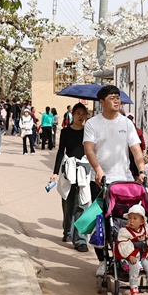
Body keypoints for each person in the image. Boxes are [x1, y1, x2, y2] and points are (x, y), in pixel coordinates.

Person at [83, 84, 146, 277]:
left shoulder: (126, 123)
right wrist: (98, 169)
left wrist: (141, 170)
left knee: (128, 221)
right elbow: (89, 149)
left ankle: (127, 258)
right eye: (112, 97)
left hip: (125, 184)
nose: (117, 100)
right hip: (101, 182)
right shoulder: (92, 124)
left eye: (118, 97)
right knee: (100, 223)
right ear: (101, 102)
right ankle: (103, 261)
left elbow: (136, 149)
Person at [51, 102, 92, 251]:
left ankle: (80, 240)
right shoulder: (65, 132)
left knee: (82, 203)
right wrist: (55, 172)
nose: (81, 116)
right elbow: (60, 152)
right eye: (78, 113)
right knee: (68, 203)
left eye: (83, 113)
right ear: (72, 114)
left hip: (83, 170)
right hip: (68, 170)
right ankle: (67, 230)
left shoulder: (89, 132)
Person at [116, 204, 148, 295]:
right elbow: (123, 244)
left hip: (143, 253)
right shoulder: (124, 231)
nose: (131, 221)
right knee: (134, 264)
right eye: (129, 218)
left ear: (142, 221)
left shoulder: (145, 228)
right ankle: (134, 285)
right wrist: (130, 256)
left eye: (135, 218)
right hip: (130, 255)